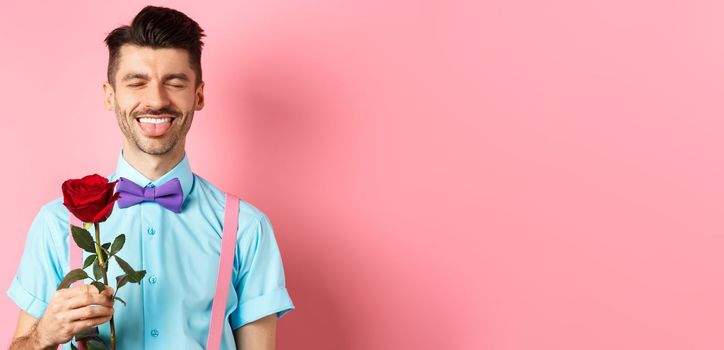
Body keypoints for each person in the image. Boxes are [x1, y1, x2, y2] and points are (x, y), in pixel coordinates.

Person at [7, 5, 295, 349]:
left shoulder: (247, 228)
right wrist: (44, 336)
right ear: (110, 96)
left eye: (174, 82)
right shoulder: (56, 224)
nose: (156, 99)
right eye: (136, 82)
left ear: (198, 95)